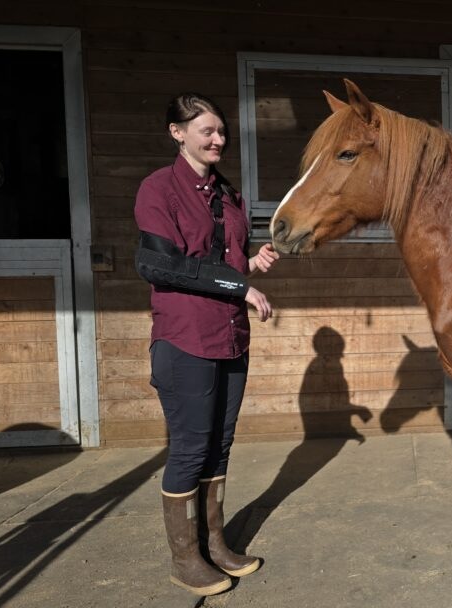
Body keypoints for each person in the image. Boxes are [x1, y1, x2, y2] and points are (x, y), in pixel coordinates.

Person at [134, 92, 280, 596]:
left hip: (230, 336)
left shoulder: (228, 194)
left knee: (220, 444)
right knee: (191, 447)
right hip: (185, 339)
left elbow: (223, 266)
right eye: (207, 131)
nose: (219, 139)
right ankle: (185, 558)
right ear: (177, 133)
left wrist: (250, 266)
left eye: (222, 132)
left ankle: (215, 545)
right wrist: (240, 286)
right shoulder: (158, 189)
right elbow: (160, 265)